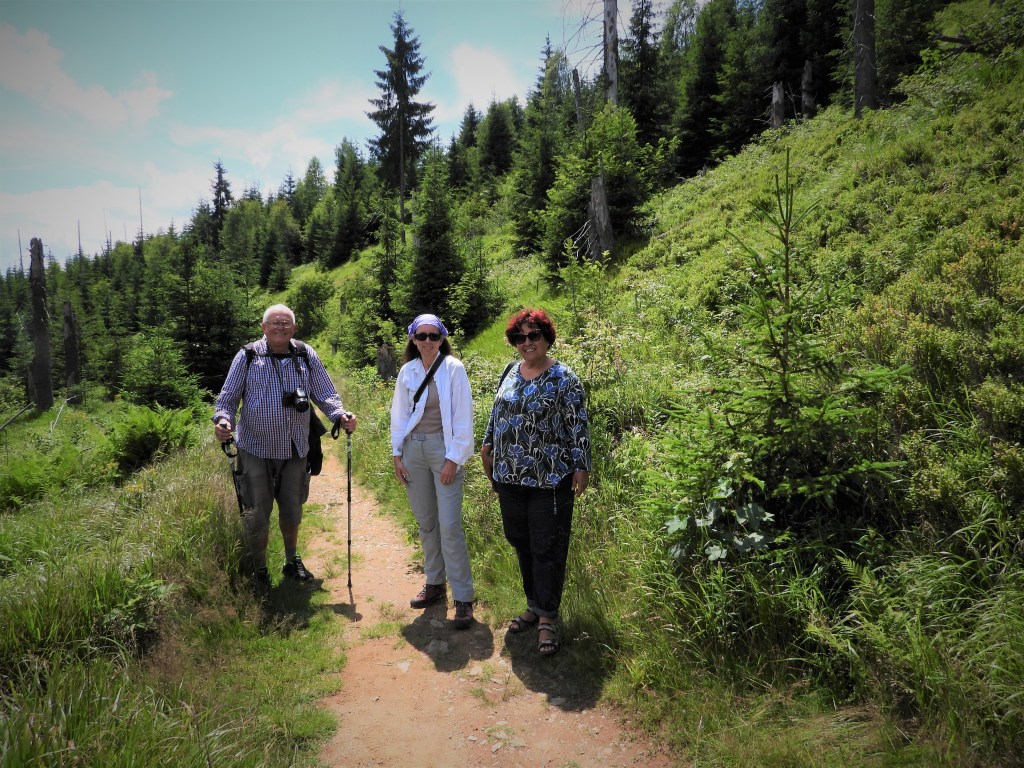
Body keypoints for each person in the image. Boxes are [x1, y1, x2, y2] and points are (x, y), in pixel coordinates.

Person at [213, 304, 357, 591]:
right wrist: (223, 421)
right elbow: (227, 399)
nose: (280, 327)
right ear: (264, 328)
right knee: (257, 511)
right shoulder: (248, 356)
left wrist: (340, 415)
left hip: (295, 447)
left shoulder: (305, 354)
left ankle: (292, 560)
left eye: (286, 323)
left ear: (293, 328)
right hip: (255, 447)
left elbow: (325, 393)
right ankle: (259, 567)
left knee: (292, 510)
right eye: (275, 323)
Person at [481, 308, 591, 655]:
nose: (527, 343)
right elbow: (497, 411)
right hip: (509, 477)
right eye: (520, 337)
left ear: (546, 337)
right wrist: (487, 444)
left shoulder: (564, 378)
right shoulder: (510, 371)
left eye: (533, 335)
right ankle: (534, 603)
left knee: (547, 547)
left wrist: (581, 465)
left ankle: (547, 618)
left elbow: (578, 425)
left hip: (549, 479)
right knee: (520, 541)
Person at [390, 314, 476, 630]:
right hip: (413, 451)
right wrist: (396, 453)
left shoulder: (453, 369)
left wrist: (454, 458)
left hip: (444, 449)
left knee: (450, 525)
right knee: (427, 522)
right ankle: (435, 583)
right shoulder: (407, 372)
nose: (428, 341)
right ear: (413, 338)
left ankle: (464, 598)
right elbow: (399, 414)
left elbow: (464, 416)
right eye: (422, 336)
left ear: (442, 338)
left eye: (434, 336)